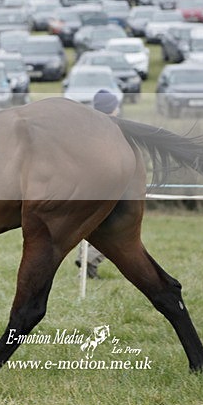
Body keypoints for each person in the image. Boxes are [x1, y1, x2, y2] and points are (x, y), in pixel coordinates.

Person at [76, 89, 120, 278]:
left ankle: (87, 268)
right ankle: (90, 258)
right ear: (113, 108)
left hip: (84, 184)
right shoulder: (114, 128)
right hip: (105, 185)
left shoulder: (87, 126)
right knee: (117, 228)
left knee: (87, 225)